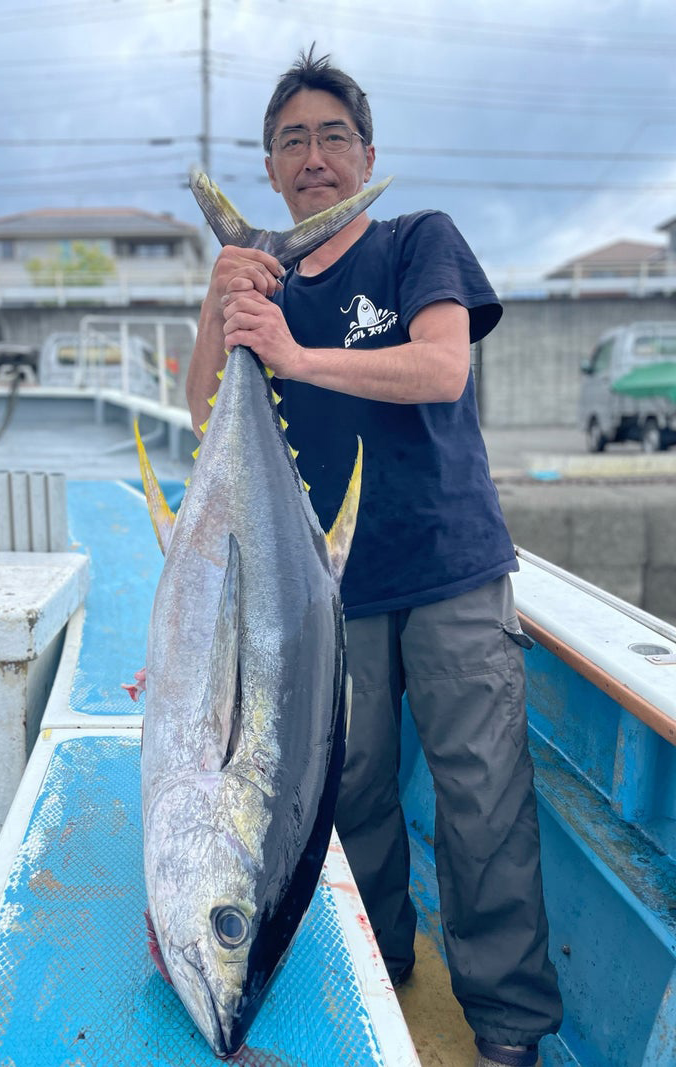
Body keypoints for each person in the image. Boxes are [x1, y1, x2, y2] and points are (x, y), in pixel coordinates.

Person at [186, 46, 563, 1067]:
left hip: (448, 573)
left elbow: (441, 367)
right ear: (268, 167)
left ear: (365, 154)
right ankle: (376, 969)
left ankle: (509, 1027)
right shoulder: (258, 279)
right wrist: (220, 305)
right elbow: (202, 412)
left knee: (480, 798)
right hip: (321, 593)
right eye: (292, 139)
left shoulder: (415, 242)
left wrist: (299, 354)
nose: (313, 155)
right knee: (341, 797)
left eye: (332, 136)